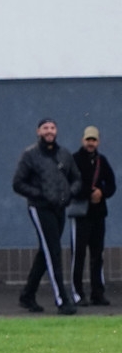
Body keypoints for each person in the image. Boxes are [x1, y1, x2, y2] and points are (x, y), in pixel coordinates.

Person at [12, 118, 82, 315]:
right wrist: (40, 195)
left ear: (56, 131)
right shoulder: (30, 155)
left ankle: (27, 295)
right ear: (38, 131)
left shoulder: (64, 154)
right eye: (45, 128)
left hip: (59, 208)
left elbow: (76, 179)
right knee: (53, 251)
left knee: (47, 252)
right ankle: (62, 300)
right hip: (40, 208)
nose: (49, 131)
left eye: (52, 127)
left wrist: (69, 194)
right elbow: (18, 183)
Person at [70, 125, 116, 306]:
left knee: (98, 255)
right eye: (88, 139)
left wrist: (102, 193)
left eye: (94, 140)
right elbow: (71, 184)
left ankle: (98, 293)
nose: (91, 143)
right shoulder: (74, 160)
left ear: (98, 142)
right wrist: (89, 193)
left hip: (98, 214)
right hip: (81, 214)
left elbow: (111, 184)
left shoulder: (102, 161)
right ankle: (77, 293)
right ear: (83, 140)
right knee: (78, 255)